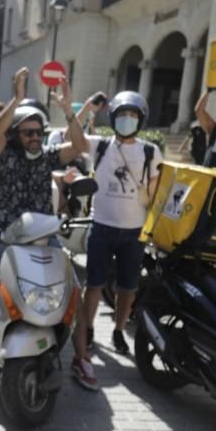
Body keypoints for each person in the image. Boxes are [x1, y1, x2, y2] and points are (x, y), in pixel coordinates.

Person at [0, 68, 91, 380]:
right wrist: (17, 99)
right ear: (17, 135)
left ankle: (81, 357)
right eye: (28, 132)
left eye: (38, 131)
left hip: (44, 236)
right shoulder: (5, 155)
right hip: (5, 234)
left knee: (75, 291)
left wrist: (68, 110)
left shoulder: (48, 157)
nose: (35, 137)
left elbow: (79, 147)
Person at [73, 91, 161, 369]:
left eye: (133, 115)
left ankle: (119, 330)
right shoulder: (99, 146)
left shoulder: (150, 151)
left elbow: (155, 191)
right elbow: (70, 138)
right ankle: (87, 329)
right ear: (112, 117)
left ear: (141, 120)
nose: (127, 120)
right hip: (102, 227)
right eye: (122, 114)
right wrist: (86, 106)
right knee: (94, 284)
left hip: (134, 232)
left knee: (128, 287)